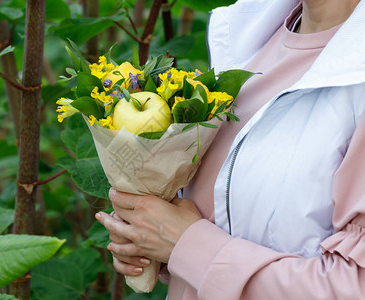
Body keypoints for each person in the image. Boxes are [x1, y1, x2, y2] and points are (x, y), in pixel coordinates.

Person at [95, 0, 365, 298]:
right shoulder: (245, 40)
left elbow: (353, 288)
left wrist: (187, 244)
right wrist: (151, 238)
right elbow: (221, 214)